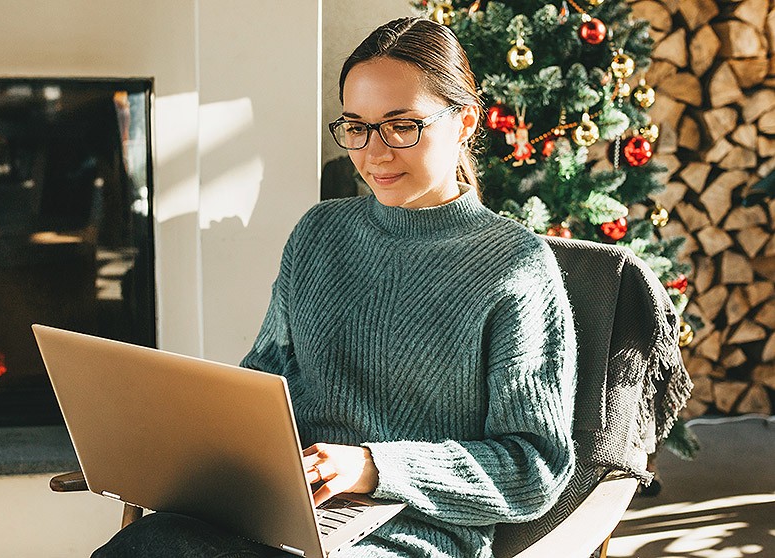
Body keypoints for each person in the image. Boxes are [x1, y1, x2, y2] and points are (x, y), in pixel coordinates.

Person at [92, 16, 577, 558]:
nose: (374, 153)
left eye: (402, 125)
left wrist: (373, 466)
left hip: (414, 535)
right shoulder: (319, 235)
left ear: (464, 121)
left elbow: (535, 469)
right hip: (284, 513)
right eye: (356, 126)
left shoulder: (516, 266)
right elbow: (265, 384)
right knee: (147, 544)